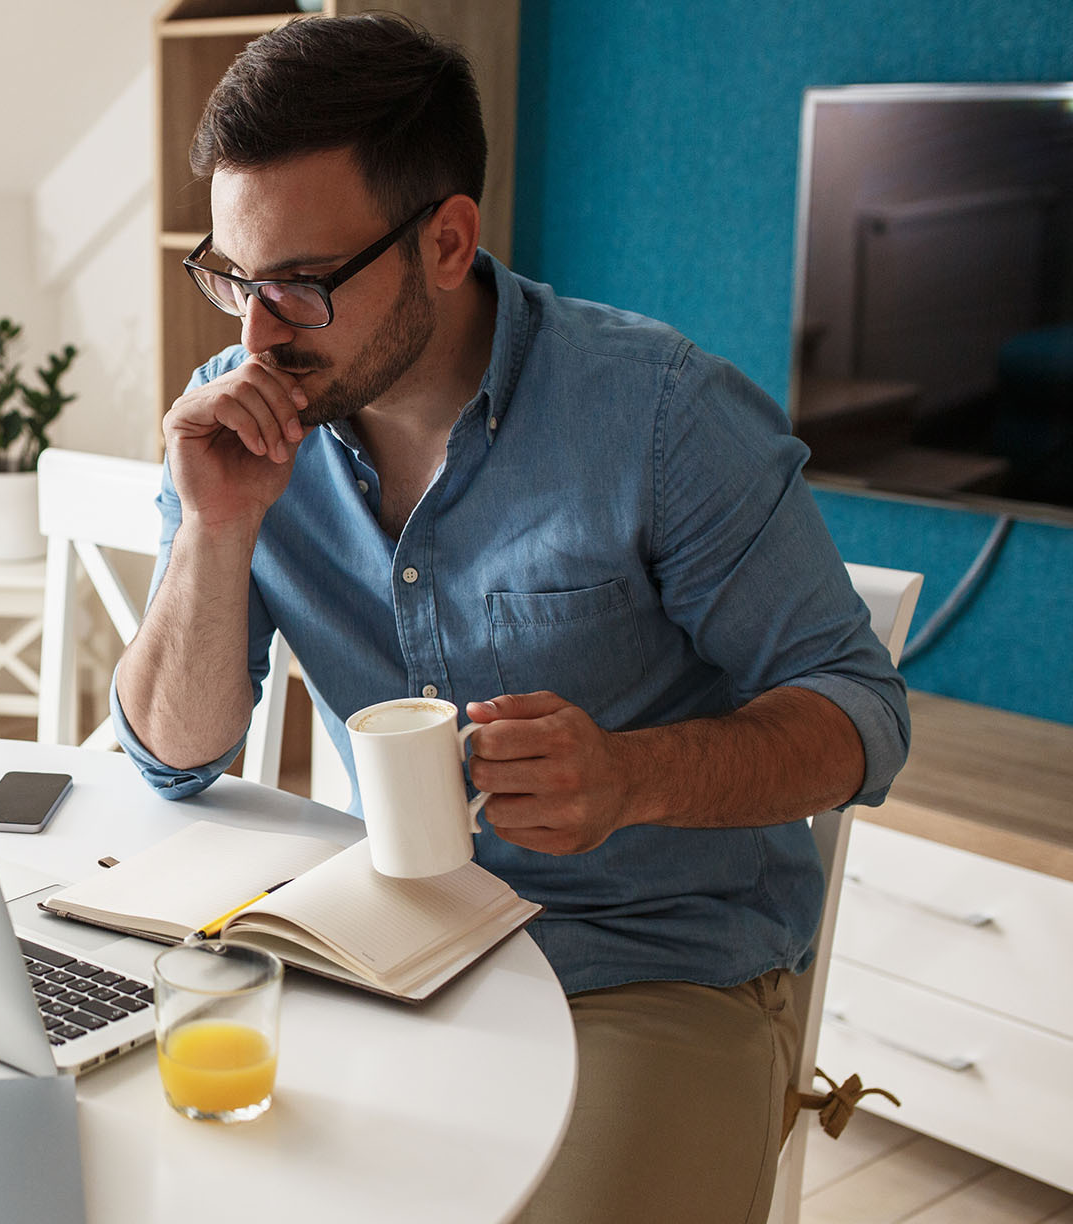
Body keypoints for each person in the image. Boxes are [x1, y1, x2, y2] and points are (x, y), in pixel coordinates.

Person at [110, 16, 909, 1224]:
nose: (254, 335)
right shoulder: (239, 424)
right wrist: (216, 534)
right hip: (382, 948)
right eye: (232, 278)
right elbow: (172, 758)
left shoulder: (658, 416)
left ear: (446, 239)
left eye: (302, 287)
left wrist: (629, 778)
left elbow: (862, 715)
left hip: (651, 974)